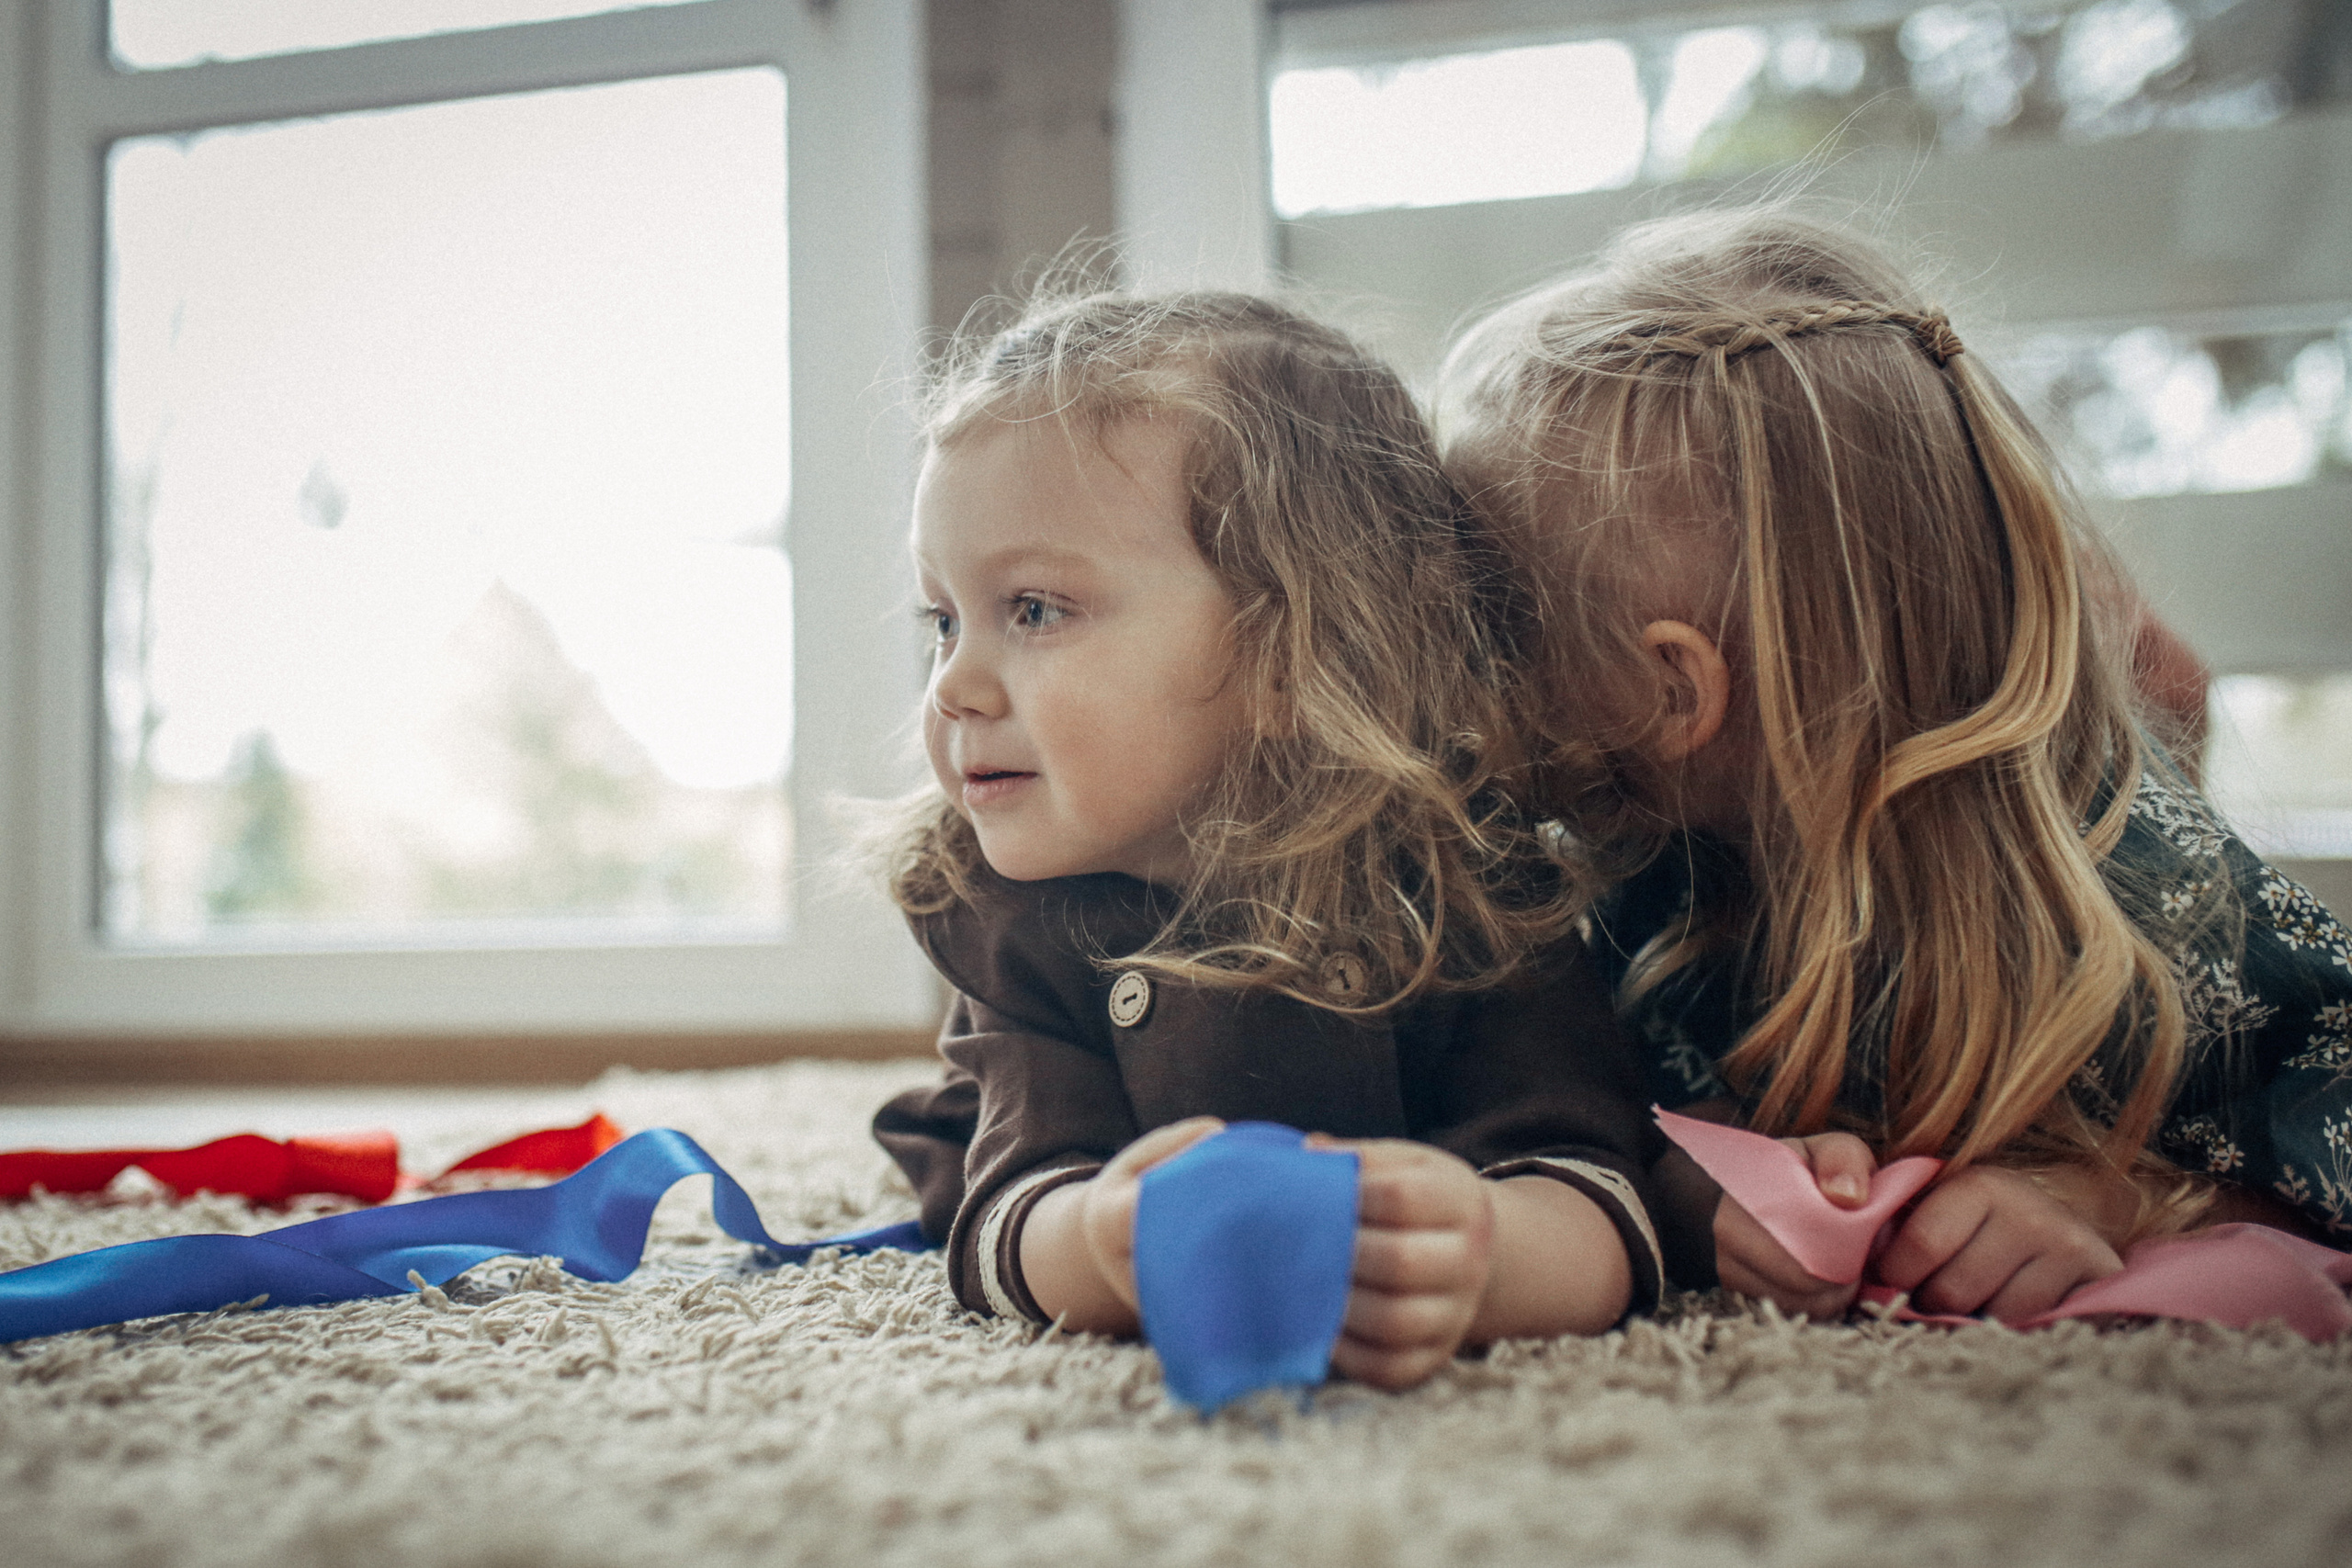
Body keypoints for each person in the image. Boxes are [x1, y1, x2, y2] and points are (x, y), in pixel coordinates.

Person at [1436, 208, 2352, 1325]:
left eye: (1486, 625)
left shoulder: (2147, 886)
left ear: (1672, 692)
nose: (1450, 675)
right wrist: (1692, 1197)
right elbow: (1592, 1123)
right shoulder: (1635, 867)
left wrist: (2129, 1198)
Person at [870, 292, 1672, 1393]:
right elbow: (1008, 1214)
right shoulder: (1012, 912)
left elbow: (1598, 1187)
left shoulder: (1470, 877)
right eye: (943, 620)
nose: (953, 685)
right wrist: (1109, 1244)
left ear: (1294, 650)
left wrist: (1481, 1254)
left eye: (1036, 610)